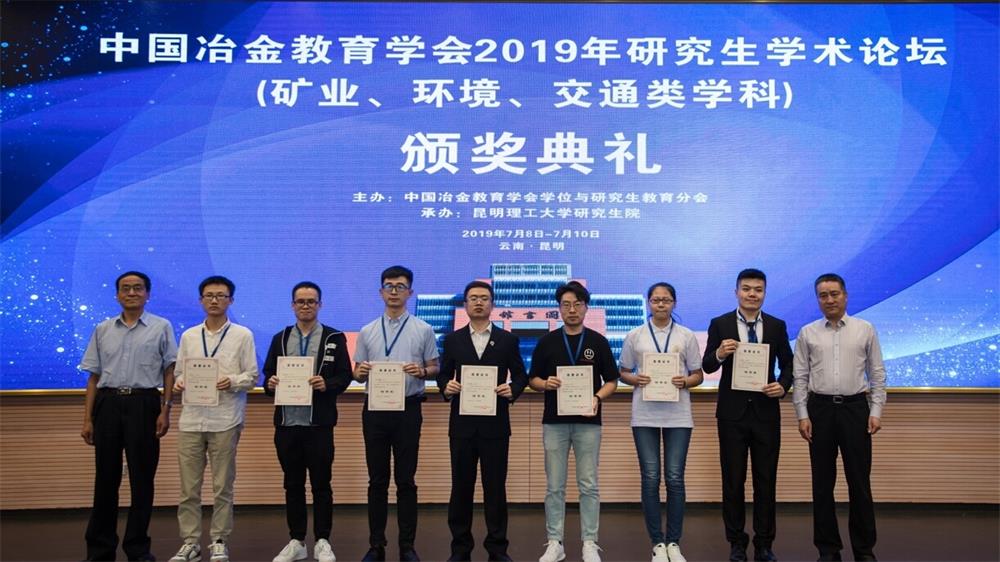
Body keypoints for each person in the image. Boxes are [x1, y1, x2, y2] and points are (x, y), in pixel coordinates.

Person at [81, 271, 177, 561]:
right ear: (117, 295)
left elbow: (170, 371)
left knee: (142, 479)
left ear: (147, 294)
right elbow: (93, 377)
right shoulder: (103, 329)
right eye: (126, 288)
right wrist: (87, 419)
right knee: (105, 479)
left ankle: (137, 548)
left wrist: (165, 409)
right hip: (107, 404)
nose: (132, 293)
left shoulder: (161, 327)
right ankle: (100, 549)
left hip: (144, 404)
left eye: (138, 288)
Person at [702, 269, 794, 562]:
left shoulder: (777, 326)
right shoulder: (720, 324)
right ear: (736, 292)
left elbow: (789, 364)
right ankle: (736, 542)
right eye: (746, 289)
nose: (752, 294)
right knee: (733, 481)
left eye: (758, 289)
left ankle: (764, 543)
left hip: (766, 413)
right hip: (732, 415)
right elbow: (707, 365)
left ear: (764, 293)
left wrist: (783, 385)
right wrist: (719, 353)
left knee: (766, 481)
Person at [793, 273, 886, 562]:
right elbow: (800, 377)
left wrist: (876, 411)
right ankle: (828, 549)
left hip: (855, 409)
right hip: (819, 410)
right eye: (823, 295)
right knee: (822, 484)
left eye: (834, 294)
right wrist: (802, 415)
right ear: (818, 299)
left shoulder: (865, 329)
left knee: (859, 483)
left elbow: (877, 373)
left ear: (845, 296)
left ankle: (864, 550)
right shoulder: (807, 332)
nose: (829, 300)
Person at [437, 281, 529, 562]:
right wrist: (446, 387)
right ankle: (460, 549)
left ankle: (497, 549)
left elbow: (521, 375)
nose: (479, 302)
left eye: (484, 298)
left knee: (495, 489)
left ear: (492, 304)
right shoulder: (452, 340)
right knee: (460, 489)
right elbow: (443, 375)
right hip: (462, 426)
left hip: (495, 426)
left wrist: (512, 389)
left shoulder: (507, 340)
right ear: (465, 304)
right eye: (473, 298)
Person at [353, 266, 439, 562]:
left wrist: (423, 371)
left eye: (400, 286)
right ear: (380, 292)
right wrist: (360, 372)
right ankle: (376, 545)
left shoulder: (423, 329)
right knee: (377, 480)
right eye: (388, 286)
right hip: (375, 411)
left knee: (406, 480)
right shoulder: (367, 330)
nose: (394, 291)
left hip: (408, 409)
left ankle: (407, 546)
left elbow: (435, 367)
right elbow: (357, 372)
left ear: (410, 292)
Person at [262, 281, 353, 562]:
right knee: (292, 484)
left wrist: (328, 384)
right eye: (300, 301)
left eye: (311, 301)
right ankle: (297, 540)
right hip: (287, 424)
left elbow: (345, 376)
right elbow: (267, 376)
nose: (306, 306)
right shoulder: (280, 338)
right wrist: (271, 383)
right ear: (292, 305)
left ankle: (323, 540)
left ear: (319, 305)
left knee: (321, 484)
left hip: (319, 425)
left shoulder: (334, 337)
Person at [169, 276, 258, 562]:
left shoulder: (242, 335)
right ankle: (190, 542)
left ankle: (219, 540)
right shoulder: (189, 336)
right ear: (201, 300)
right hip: (191, 420)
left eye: (221, 295)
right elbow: (180, 373)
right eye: (209, 295)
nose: (215, 300)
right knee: (188, 488)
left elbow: (252, 376)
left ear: (231, 300)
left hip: (225, 419)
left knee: (222, 486)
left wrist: (231, 381)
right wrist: (180, 383)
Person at [528, 281, 619, 562]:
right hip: (554, 422)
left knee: (588, 484)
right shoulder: (547, 342)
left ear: (586, 308)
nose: (572, 310)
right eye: (566, 304)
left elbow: (612, 381)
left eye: (577, 304)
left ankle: (589, 542)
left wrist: (597, 397)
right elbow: (533, 379)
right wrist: (546, 383)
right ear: (559, 308)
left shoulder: (598, 341)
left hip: (588, 422)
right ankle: (555, 542)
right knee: (554, 485)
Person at [619, 282, 705, 562]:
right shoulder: (635, 335)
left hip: (678, 415)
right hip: (644, 414)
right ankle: (657, 542)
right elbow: (623, 371)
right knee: (651, 477)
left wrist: (685, 381)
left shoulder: (686, 335)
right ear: (648, 303)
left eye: (666, 300)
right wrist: (636, 379)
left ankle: (674, 542)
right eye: (655, 300)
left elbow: (698, 374)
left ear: (674, 303)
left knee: (675, 478)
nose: (660, 304)